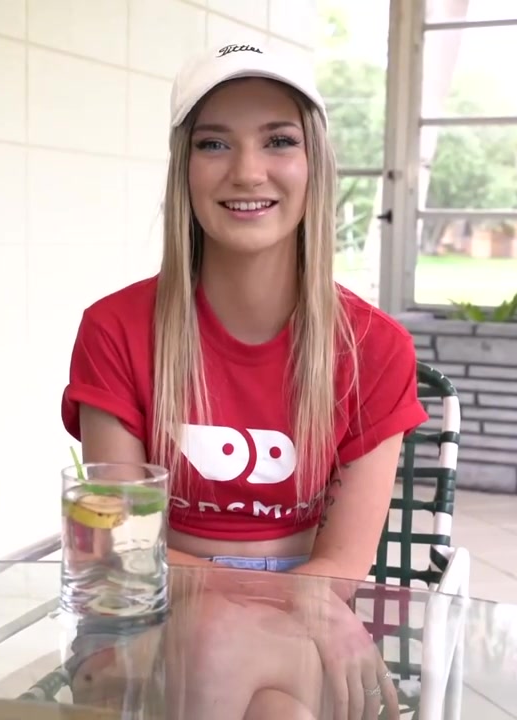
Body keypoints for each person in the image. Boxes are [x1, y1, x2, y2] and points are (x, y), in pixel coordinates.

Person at [61, 40, 427, 720]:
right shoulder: (115, 330)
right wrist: (225, 604)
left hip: (308, 615)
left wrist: (240, 601)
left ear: (315, 164)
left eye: (278, 141)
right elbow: (121, 556)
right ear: (185, 168)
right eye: (214, 144)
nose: (248, 171)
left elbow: (343, 564)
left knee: (222, 644)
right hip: (142, 618)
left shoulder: (374, 348)